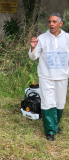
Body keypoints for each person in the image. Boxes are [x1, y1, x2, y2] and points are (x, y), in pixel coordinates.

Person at [28, 13, 69, 141]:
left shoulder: (67, 38)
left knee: (60, 102)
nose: (51, 24)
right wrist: (32, 47)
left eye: (54, 22)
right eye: (49, 22)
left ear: (61, 24)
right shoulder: (42, 38)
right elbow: (33, 57)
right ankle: (50, 131)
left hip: (62, 76)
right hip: (46, 75)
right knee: (48, 102)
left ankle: (54, 125)